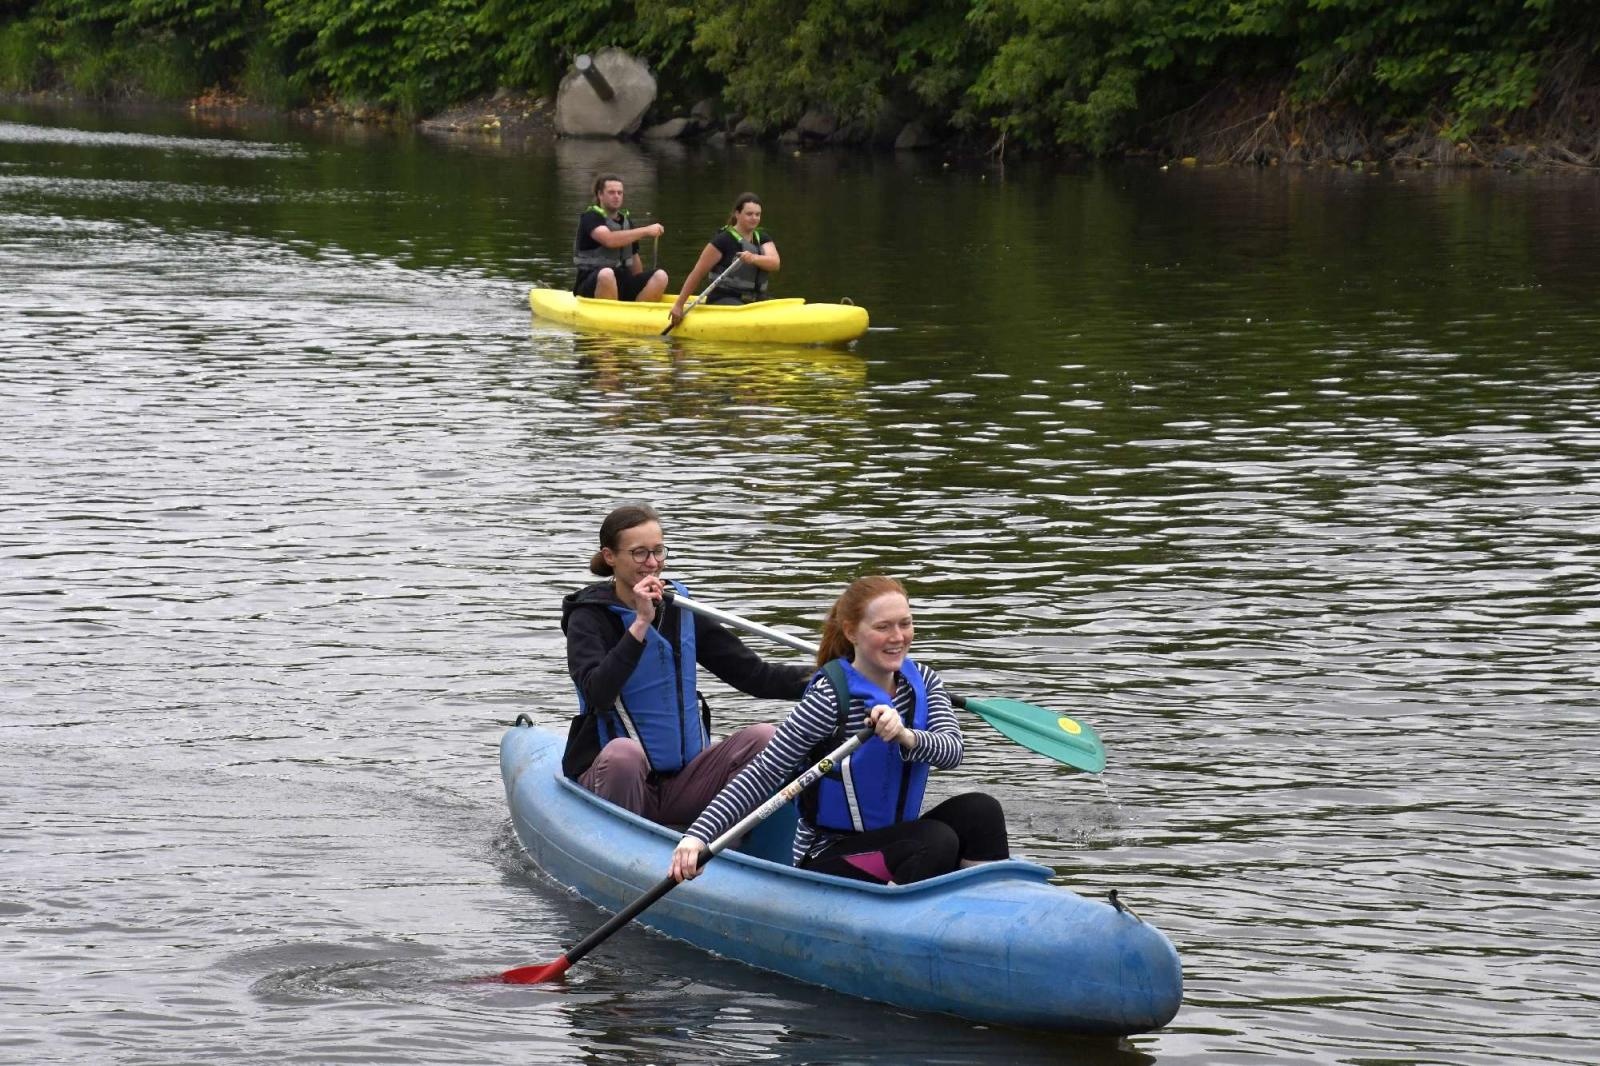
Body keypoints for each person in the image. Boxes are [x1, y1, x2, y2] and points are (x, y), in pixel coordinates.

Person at [669, 576, 1009, 885]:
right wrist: (698, 836)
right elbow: (764, 772)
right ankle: (895, 916)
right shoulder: (831, 698)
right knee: (936, 840)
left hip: (896, 839)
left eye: (905, 624)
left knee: (981, 811)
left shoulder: (925, 681)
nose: (898, 637)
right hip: (829, 855)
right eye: (883, 627)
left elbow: (952, 752)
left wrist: (905, 735)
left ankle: (989, 905)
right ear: (851, 632)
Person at [562, 503, 813, 823]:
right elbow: (598, 693)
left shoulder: (679, 608)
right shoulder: (587, 617)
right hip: (618, 781)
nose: (652, 563)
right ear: (610, 556)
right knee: (626, 755)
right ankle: (622, 840)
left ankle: (728, 840)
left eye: (658, 551)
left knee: (764, 737)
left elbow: (756, 676)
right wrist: (640, 624)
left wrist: (832, 676)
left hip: (683, 781)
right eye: (639, 553)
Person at [668, 192, 779, 326]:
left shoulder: (762, 238)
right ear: (737, 214)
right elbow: (697, 273)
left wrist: (753, 258)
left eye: (757, 214)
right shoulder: (723, 240)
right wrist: (679, 305)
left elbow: (775, 263)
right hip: (724, 299)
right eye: (749, 214)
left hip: (755, 299)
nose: (754, 218)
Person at [573, 173, 669, 303]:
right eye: (611, 192)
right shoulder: (590, 217)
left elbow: (633, 257)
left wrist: (639, 283)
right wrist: (646, 230)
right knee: (607, 274)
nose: (616, 196)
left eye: (619, 193)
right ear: (600, 194)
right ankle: (608, 313)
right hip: (591, 284)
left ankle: (638, 311)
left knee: (661, 276)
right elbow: (609, 240)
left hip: (622, 282)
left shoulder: (626, 222)